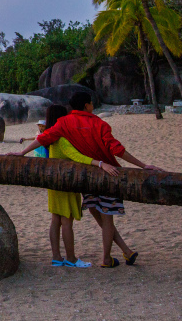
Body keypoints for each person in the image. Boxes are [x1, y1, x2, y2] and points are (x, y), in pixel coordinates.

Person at [13, 92, 161, 268]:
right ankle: (105, 258)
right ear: (87, 106)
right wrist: (143, 165)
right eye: (91, 103)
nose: (92, 106)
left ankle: (125, 250)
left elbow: (43, 138)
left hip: (87, 178)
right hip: (107, 173)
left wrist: (22, 153)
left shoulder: (64, 123)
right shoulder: (100, 124)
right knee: (107, 218)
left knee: (96, 214)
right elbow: (117, 150)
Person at [34, 105, 119, 267]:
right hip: (66, 183)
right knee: (66, 221)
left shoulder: (49, 137)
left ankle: (56, 257)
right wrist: (100, 163)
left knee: (55, 220)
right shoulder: (62, 139)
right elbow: (77, 157)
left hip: (53, 183)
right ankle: (71, 258)